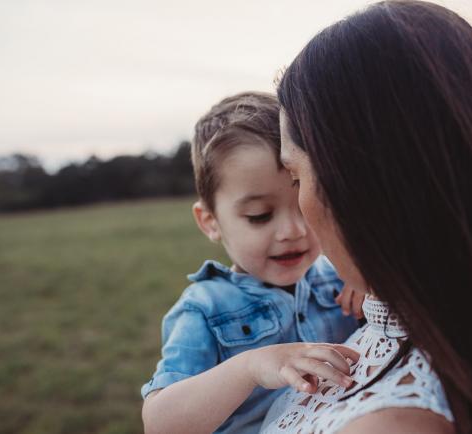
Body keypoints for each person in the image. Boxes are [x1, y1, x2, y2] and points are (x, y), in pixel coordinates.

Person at [259, 1, 472, 433]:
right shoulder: (439, 329)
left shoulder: (393, 423)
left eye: (295, 177)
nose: (298, 214)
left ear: (362, 187)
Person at [140, 92, 361, 434]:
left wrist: (372, 291)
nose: (292, 231)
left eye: (305, 204)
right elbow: (160, 423)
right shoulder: (206, 309)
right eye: (260, 216)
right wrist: (250, 367)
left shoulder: (339, 283)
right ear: (210, 221)